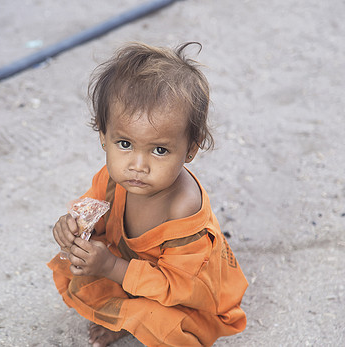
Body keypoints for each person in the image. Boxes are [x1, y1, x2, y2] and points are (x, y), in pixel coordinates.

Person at [48, 42, 247, 347]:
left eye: (159, 150)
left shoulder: (183, 208)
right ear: (104, 135)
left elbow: (180, 286)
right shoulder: (114, 180)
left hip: (186, 293)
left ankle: (127, 317)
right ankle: (122, 313)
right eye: (125, 144)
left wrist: (111, 267)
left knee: (164, 326)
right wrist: (72, 228)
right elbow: (93, 221)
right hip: (137, 272)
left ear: (190, 150)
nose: (138, 166)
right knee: (74, 267)